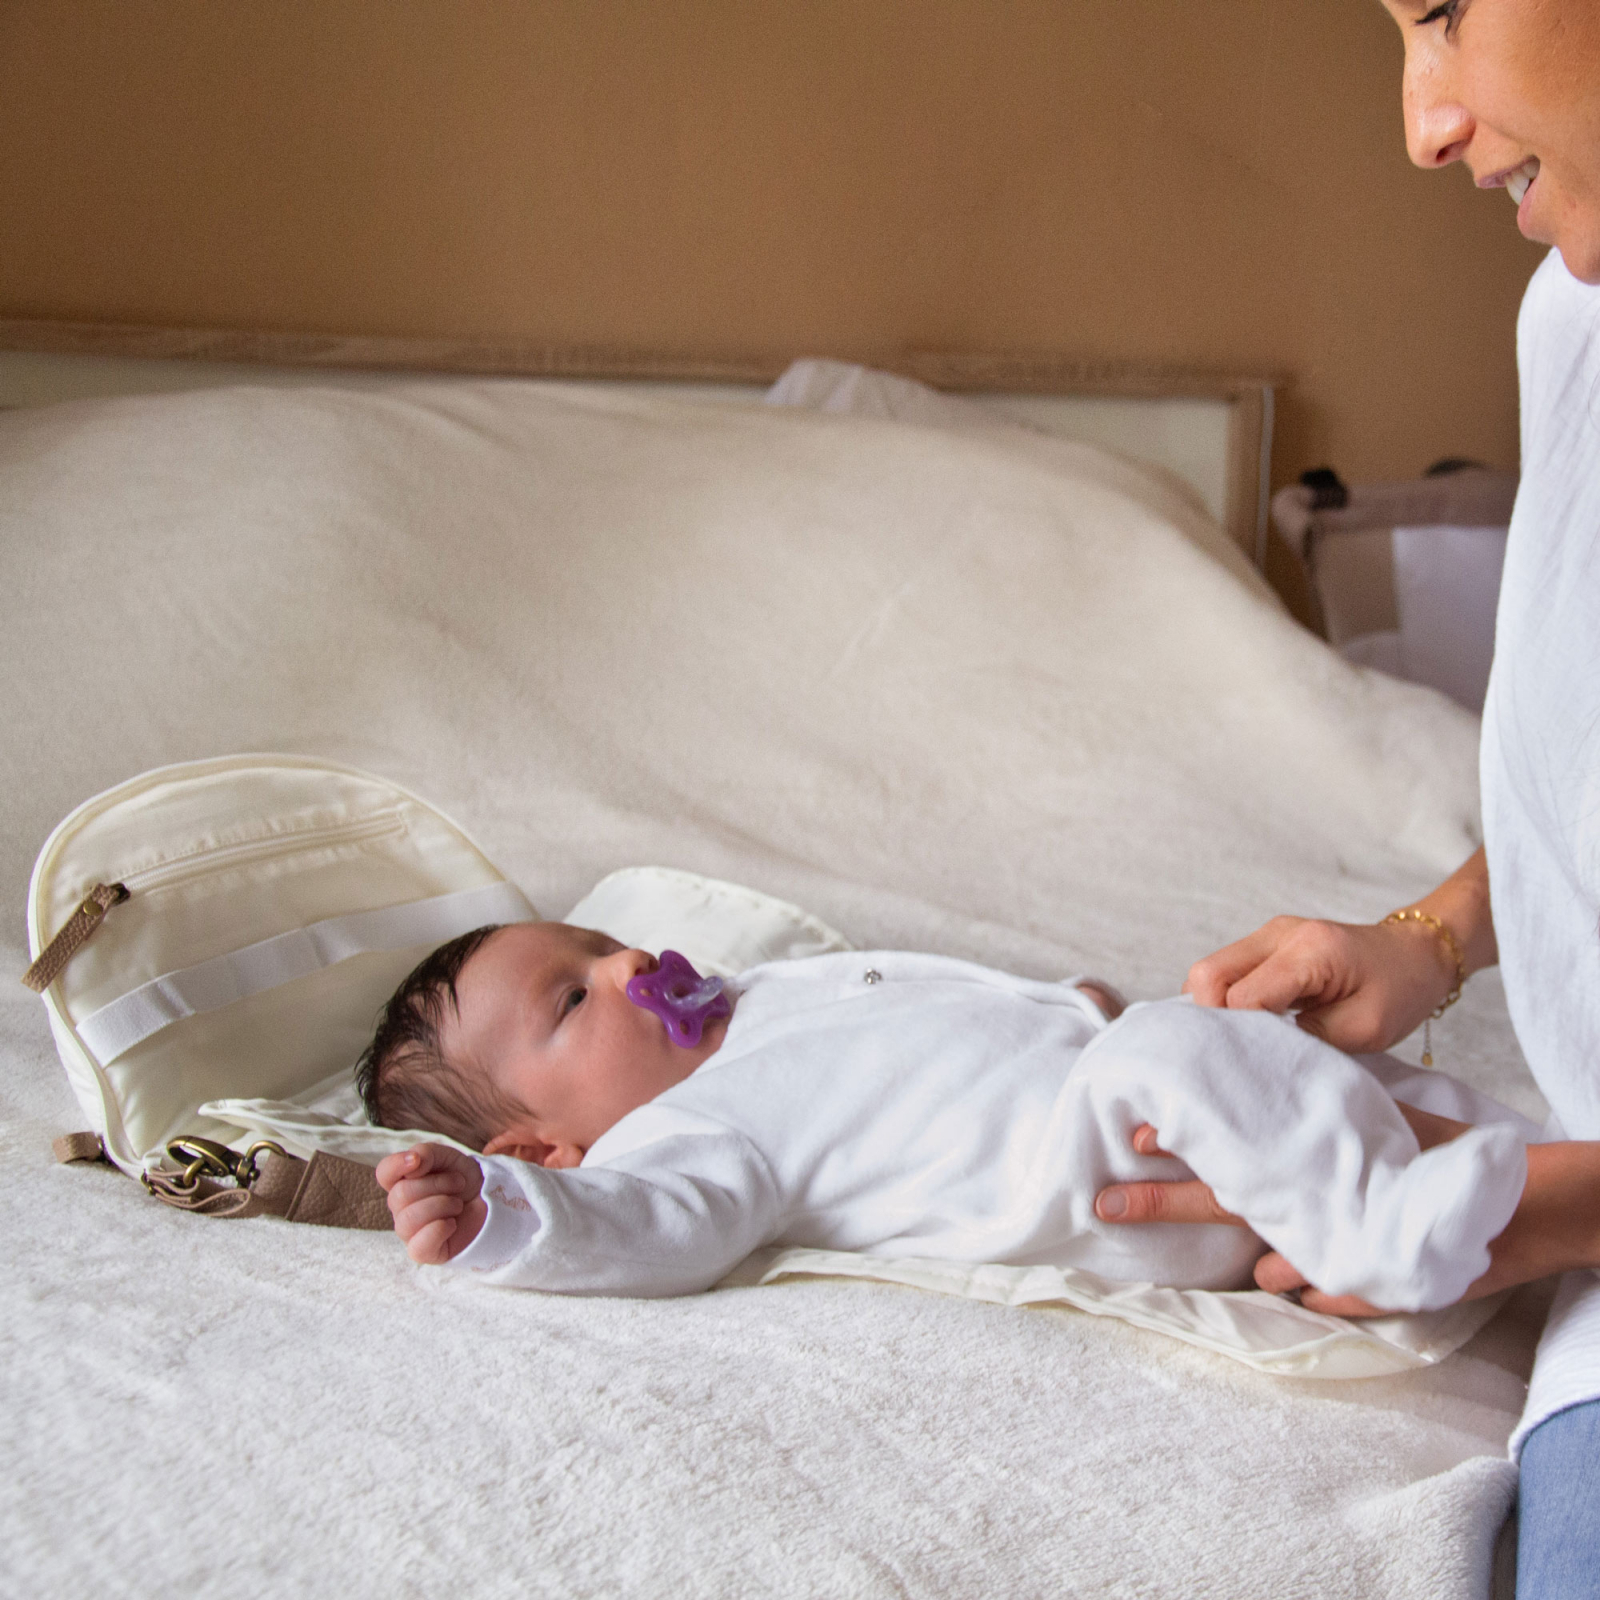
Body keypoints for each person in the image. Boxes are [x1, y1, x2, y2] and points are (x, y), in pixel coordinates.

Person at [1090, 3, 1600, 1590]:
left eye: (1446, 13)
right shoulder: (1574, 319)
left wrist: (1526, 1214)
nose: (1424, 126)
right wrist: (1431, 939)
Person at [363, 920, 1529, 1307]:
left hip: (1125, 1093)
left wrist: (1054, 1005)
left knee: (1308, 1062)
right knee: (1183, 1044)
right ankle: (1369, 1234)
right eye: (574, 997)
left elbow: (920, 1015)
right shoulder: (681, 1133)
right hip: (1089, 1181)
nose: (626, 964)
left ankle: (1518, 1169)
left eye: (601, 944)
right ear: (543, 1143)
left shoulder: (760, 1001)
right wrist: (504, 1213)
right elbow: (643, 1226)